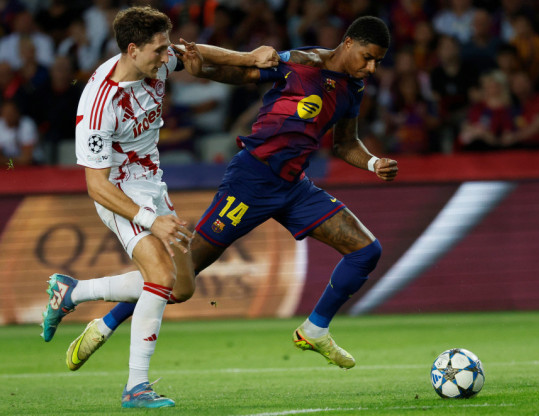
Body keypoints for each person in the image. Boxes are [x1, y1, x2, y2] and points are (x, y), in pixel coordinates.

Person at [49, 15, 398, 378]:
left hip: (295, 187)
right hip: (252, 180)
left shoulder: (353, 88)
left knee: (366, 251)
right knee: (181, 275)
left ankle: (315, 329)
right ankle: (102, 322)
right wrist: (205, 71)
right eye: (368, 57)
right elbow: (245, 72)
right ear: (348, 43)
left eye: (377, 62)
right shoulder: (302, 63)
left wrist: (373, 163)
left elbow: (345, 143)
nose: (371, 68)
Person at [40, 5, 279, 409]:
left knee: (181, 287)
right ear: (133, 50)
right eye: (159, 49)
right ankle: (136, 387)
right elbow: (95, 185)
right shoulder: (99, 104)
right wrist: (152, 221)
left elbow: (195, 51)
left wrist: (249, 57)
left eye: (167, 48)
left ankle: (74, 292)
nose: (168, 56)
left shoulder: (158, 62)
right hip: (118, 193)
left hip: (152, 184)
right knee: (160, 276)